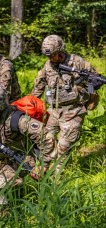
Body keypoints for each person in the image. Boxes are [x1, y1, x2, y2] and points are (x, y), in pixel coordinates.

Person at [31, 34, 100, 173]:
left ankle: (57, 177)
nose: (50, 59)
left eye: (53, 55)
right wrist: (30, 105)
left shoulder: (78, 62)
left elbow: (96, 79)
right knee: (45, 139)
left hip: (73, 111)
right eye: (48, 56)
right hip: (54, 111)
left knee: (63, 146)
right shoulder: (48, 66)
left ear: (60, 51)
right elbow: (39, 86)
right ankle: (43, 169)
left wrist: (90, 89)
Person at [0, 83, 45, 213]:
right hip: (4, 158)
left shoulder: (17, 120)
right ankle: (18, 206)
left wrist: (43, 164)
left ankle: (2, 220)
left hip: (24, 160)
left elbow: (44, 135)